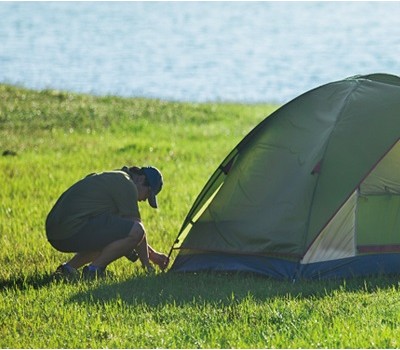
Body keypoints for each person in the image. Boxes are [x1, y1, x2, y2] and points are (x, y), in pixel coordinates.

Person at [45, 165, 170, 279]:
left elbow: (126, 233)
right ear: (141, 179)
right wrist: (147, 266)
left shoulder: (112, 178)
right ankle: (94, 271)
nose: (143, 200)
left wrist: (153, 256)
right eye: (147, 194)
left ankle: (67, 270)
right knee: (135, 230)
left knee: (112, 237)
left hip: (56, 232)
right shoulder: (127, 185)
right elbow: (137, 232)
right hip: (70, 230)